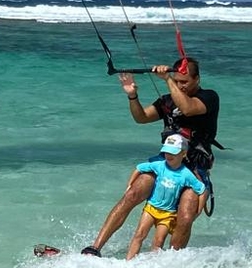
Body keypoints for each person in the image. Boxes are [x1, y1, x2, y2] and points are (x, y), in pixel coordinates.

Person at [82, 57, 220, 256]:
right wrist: (132, 96)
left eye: (185, 82)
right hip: (166, 164)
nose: (180, 86)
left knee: (186, 214)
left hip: (194, 169)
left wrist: (168, 80)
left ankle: (171, 262)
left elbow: (189, 108)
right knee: (132, 194)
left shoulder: (209, 97)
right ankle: (94, 248)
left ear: (197, 79)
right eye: (177, 81)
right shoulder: (167, 100)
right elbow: (142, 118)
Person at [126, 134, 207, 258]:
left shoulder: (186, 174)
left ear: (183, 154)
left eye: (173, 153)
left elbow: (201, 190)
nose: (168, 155)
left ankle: (154, 267)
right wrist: (130, 185)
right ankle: (128, 263)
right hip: (151, 208)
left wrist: (199, 210)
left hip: (168, 214)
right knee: (139, 235)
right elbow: (139, 168)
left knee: (158, 242)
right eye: (166, 151)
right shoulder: (159, 165)